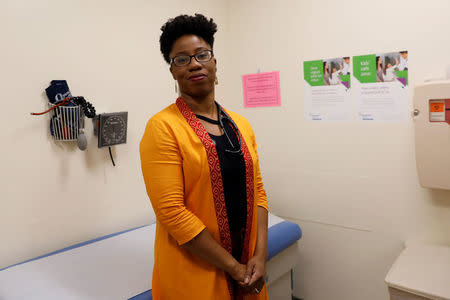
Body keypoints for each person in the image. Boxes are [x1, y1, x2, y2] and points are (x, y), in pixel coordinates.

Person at [139, 14, 269, 300]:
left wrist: (260, 255)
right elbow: (172, 212)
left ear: (214, 62)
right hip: (194, 272)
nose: (194, 63)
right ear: (172, 71)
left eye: (201, 55)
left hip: (248, 264)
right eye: (181, 59)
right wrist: (235, 269)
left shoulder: (241, 124)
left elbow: (258, 191)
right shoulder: (162, 127)